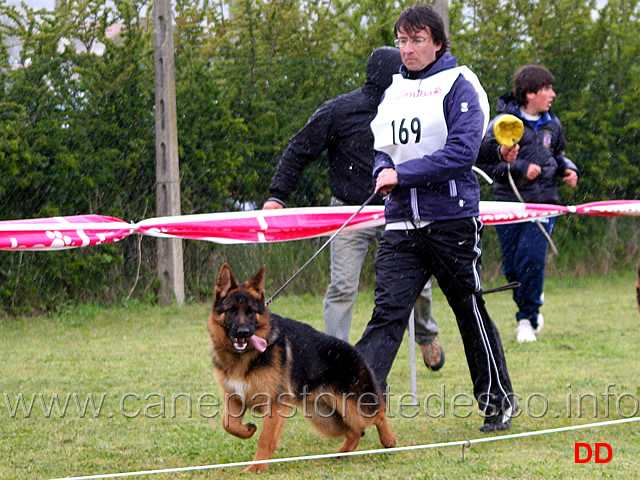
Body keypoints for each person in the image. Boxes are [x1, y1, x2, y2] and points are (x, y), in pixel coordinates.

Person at [355, 4, 516, 432]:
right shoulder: (392, 91)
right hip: (400, 222)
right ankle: (357, 404)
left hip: (452, 220)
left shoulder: (459, 84)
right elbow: (381, 151)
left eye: (417, 40)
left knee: (469, 309)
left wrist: (401, 174)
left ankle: (497, 401)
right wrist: (382, 173)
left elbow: (462, 153)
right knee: (387, 314)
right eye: (402, 41)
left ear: (438, 42)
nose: (407, 49)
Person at [262, 46, 445, 371]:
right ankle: (334, 361)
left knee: (418, 285)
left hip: (401, 211)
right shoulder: (339, 111)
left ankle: (426, 334)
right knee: (343, 286)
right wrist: (278, 195)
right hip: (350, 212)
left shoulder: (415, 109)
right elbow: (299, 149)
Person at [477, 65, 579, 343]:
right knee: (512, 267)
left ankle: (526, 318)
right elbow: (484, 162)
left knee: (531, 260)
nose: (553, 95)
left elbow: (557, 155)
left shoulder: (552, 124)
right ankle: (532, 296)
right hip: (509, 204)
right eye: (547, 89)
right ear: (530, 93)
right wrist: (520, 168)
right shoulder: (503, 124)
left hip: (545, 203)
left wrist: (568, 170)